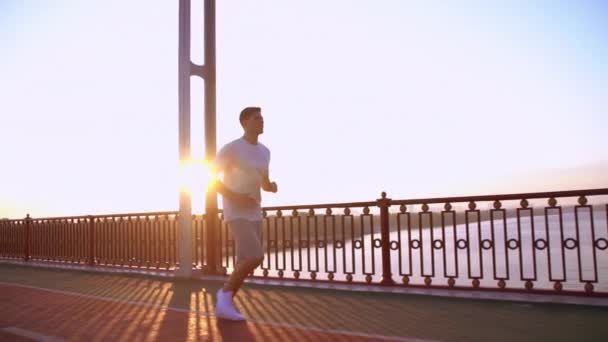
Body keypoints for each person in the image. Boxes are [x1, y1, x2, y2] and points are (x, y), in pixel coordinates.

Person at [212, 106, 278, 321]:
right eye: (257, 118)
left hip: (254, 211)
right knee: (255, 255)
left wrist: (270, 186)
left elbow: (263, 180)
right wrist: (234, 196)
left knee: (247, 260)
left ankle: (225, 302)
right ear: (245, 123)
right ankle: (223, 296)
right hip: (236, 211)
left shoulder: (265, 151)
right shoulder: (232, 148)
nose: (262, 121)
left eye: (262, 118)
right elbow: (209, 179)